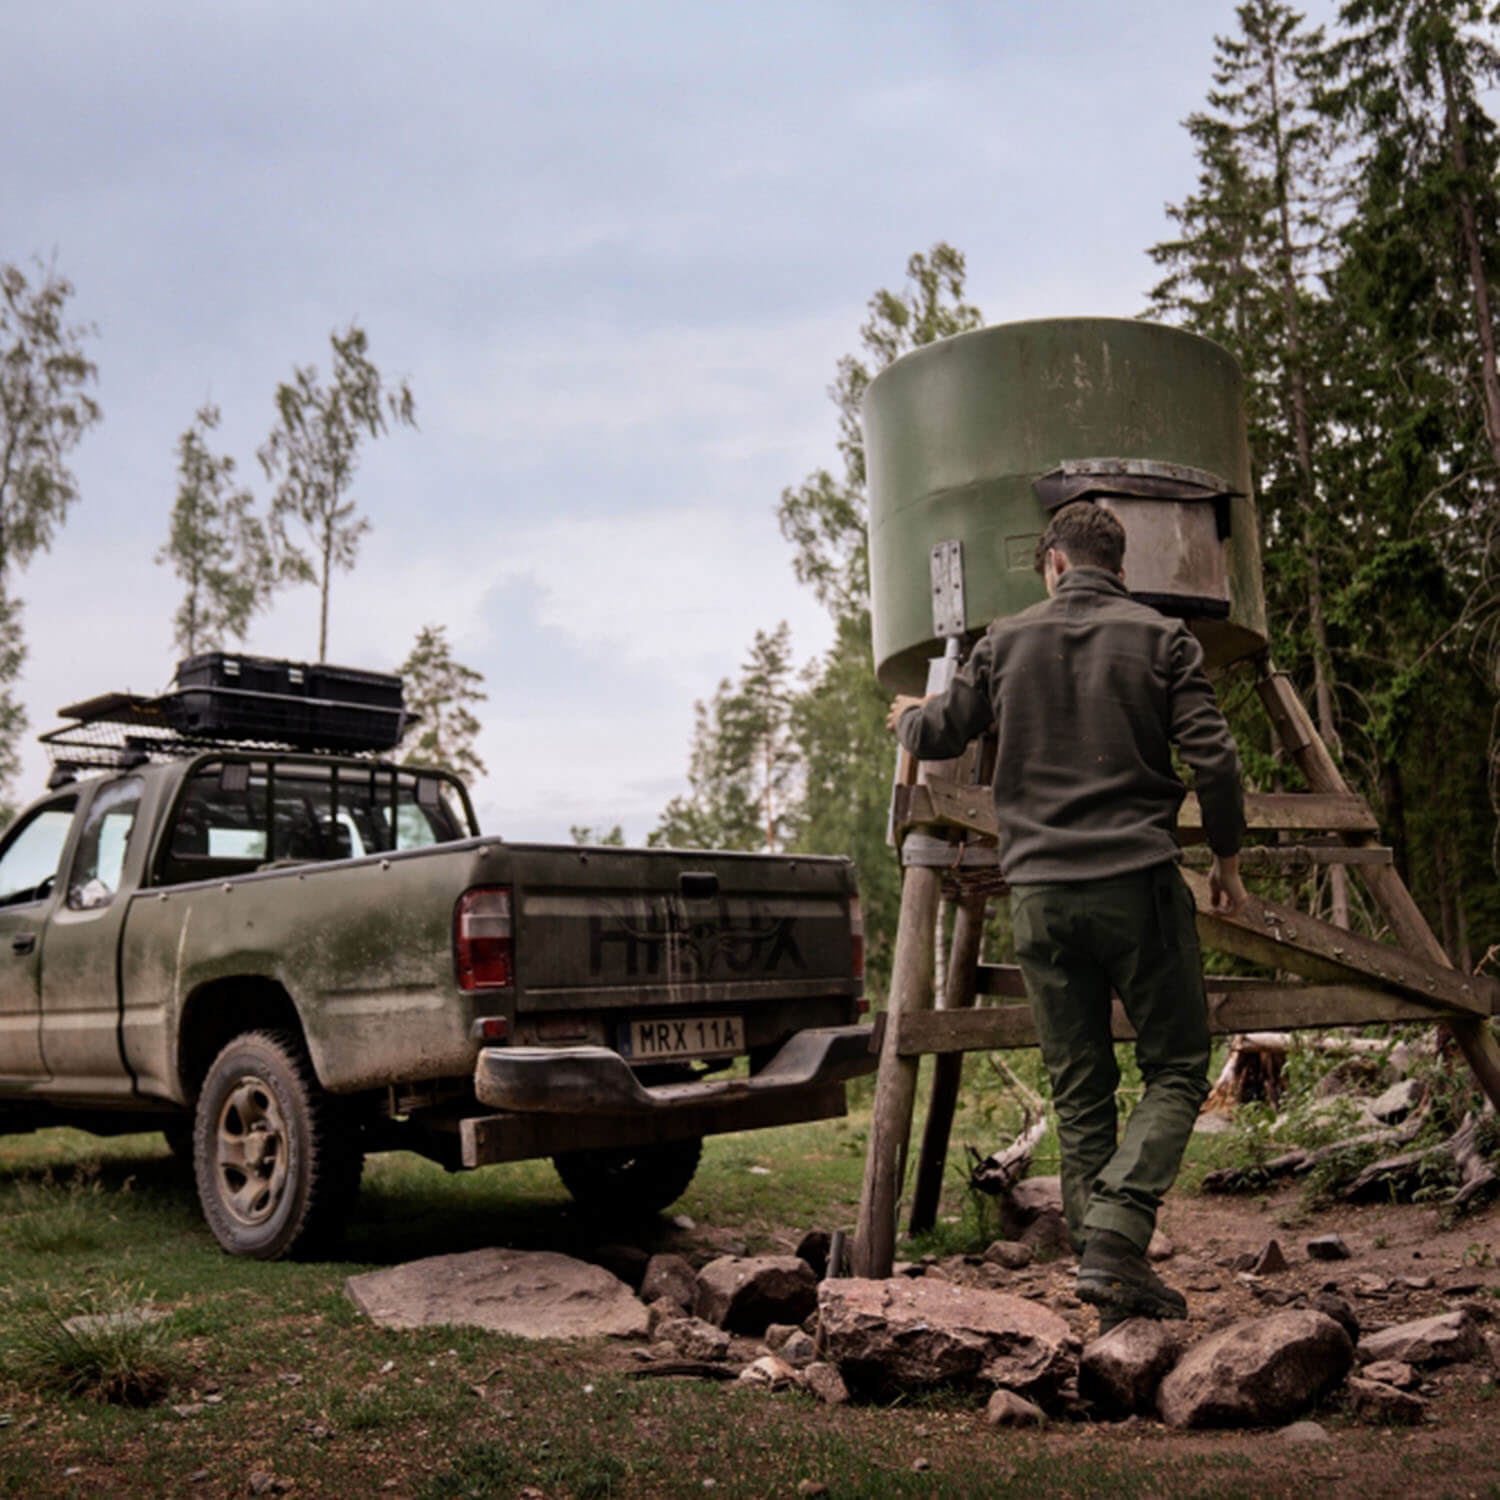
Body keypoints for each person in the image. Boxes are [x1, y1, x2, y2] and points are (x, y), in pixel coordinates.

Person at [886, 500, 1247, 1329]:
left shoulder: (1005, 642)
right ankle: (1116, 1241)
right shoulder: (1164, 639)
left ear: (1051, 564)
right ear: (1122, 570)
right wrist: (1227, 864)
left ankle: (1105, 1267)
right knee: (1180, 1065)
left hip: (1041, 898)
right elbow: (1216, 761)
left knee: (1081, 1087)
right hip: (1137, 886)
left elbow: (941, 732)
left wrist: (907, 716)